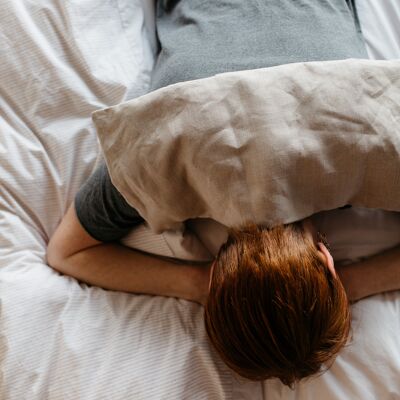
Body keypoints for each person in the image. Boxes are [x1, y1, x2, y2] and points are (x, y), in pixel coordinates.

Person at [47, 0, 400, 388]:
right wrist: (200, 284)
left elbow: (65, 252)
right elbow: (66, 254)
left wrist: (352, 284)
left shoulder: (375, 146)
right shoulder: (164, 161)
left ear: (326, 259)